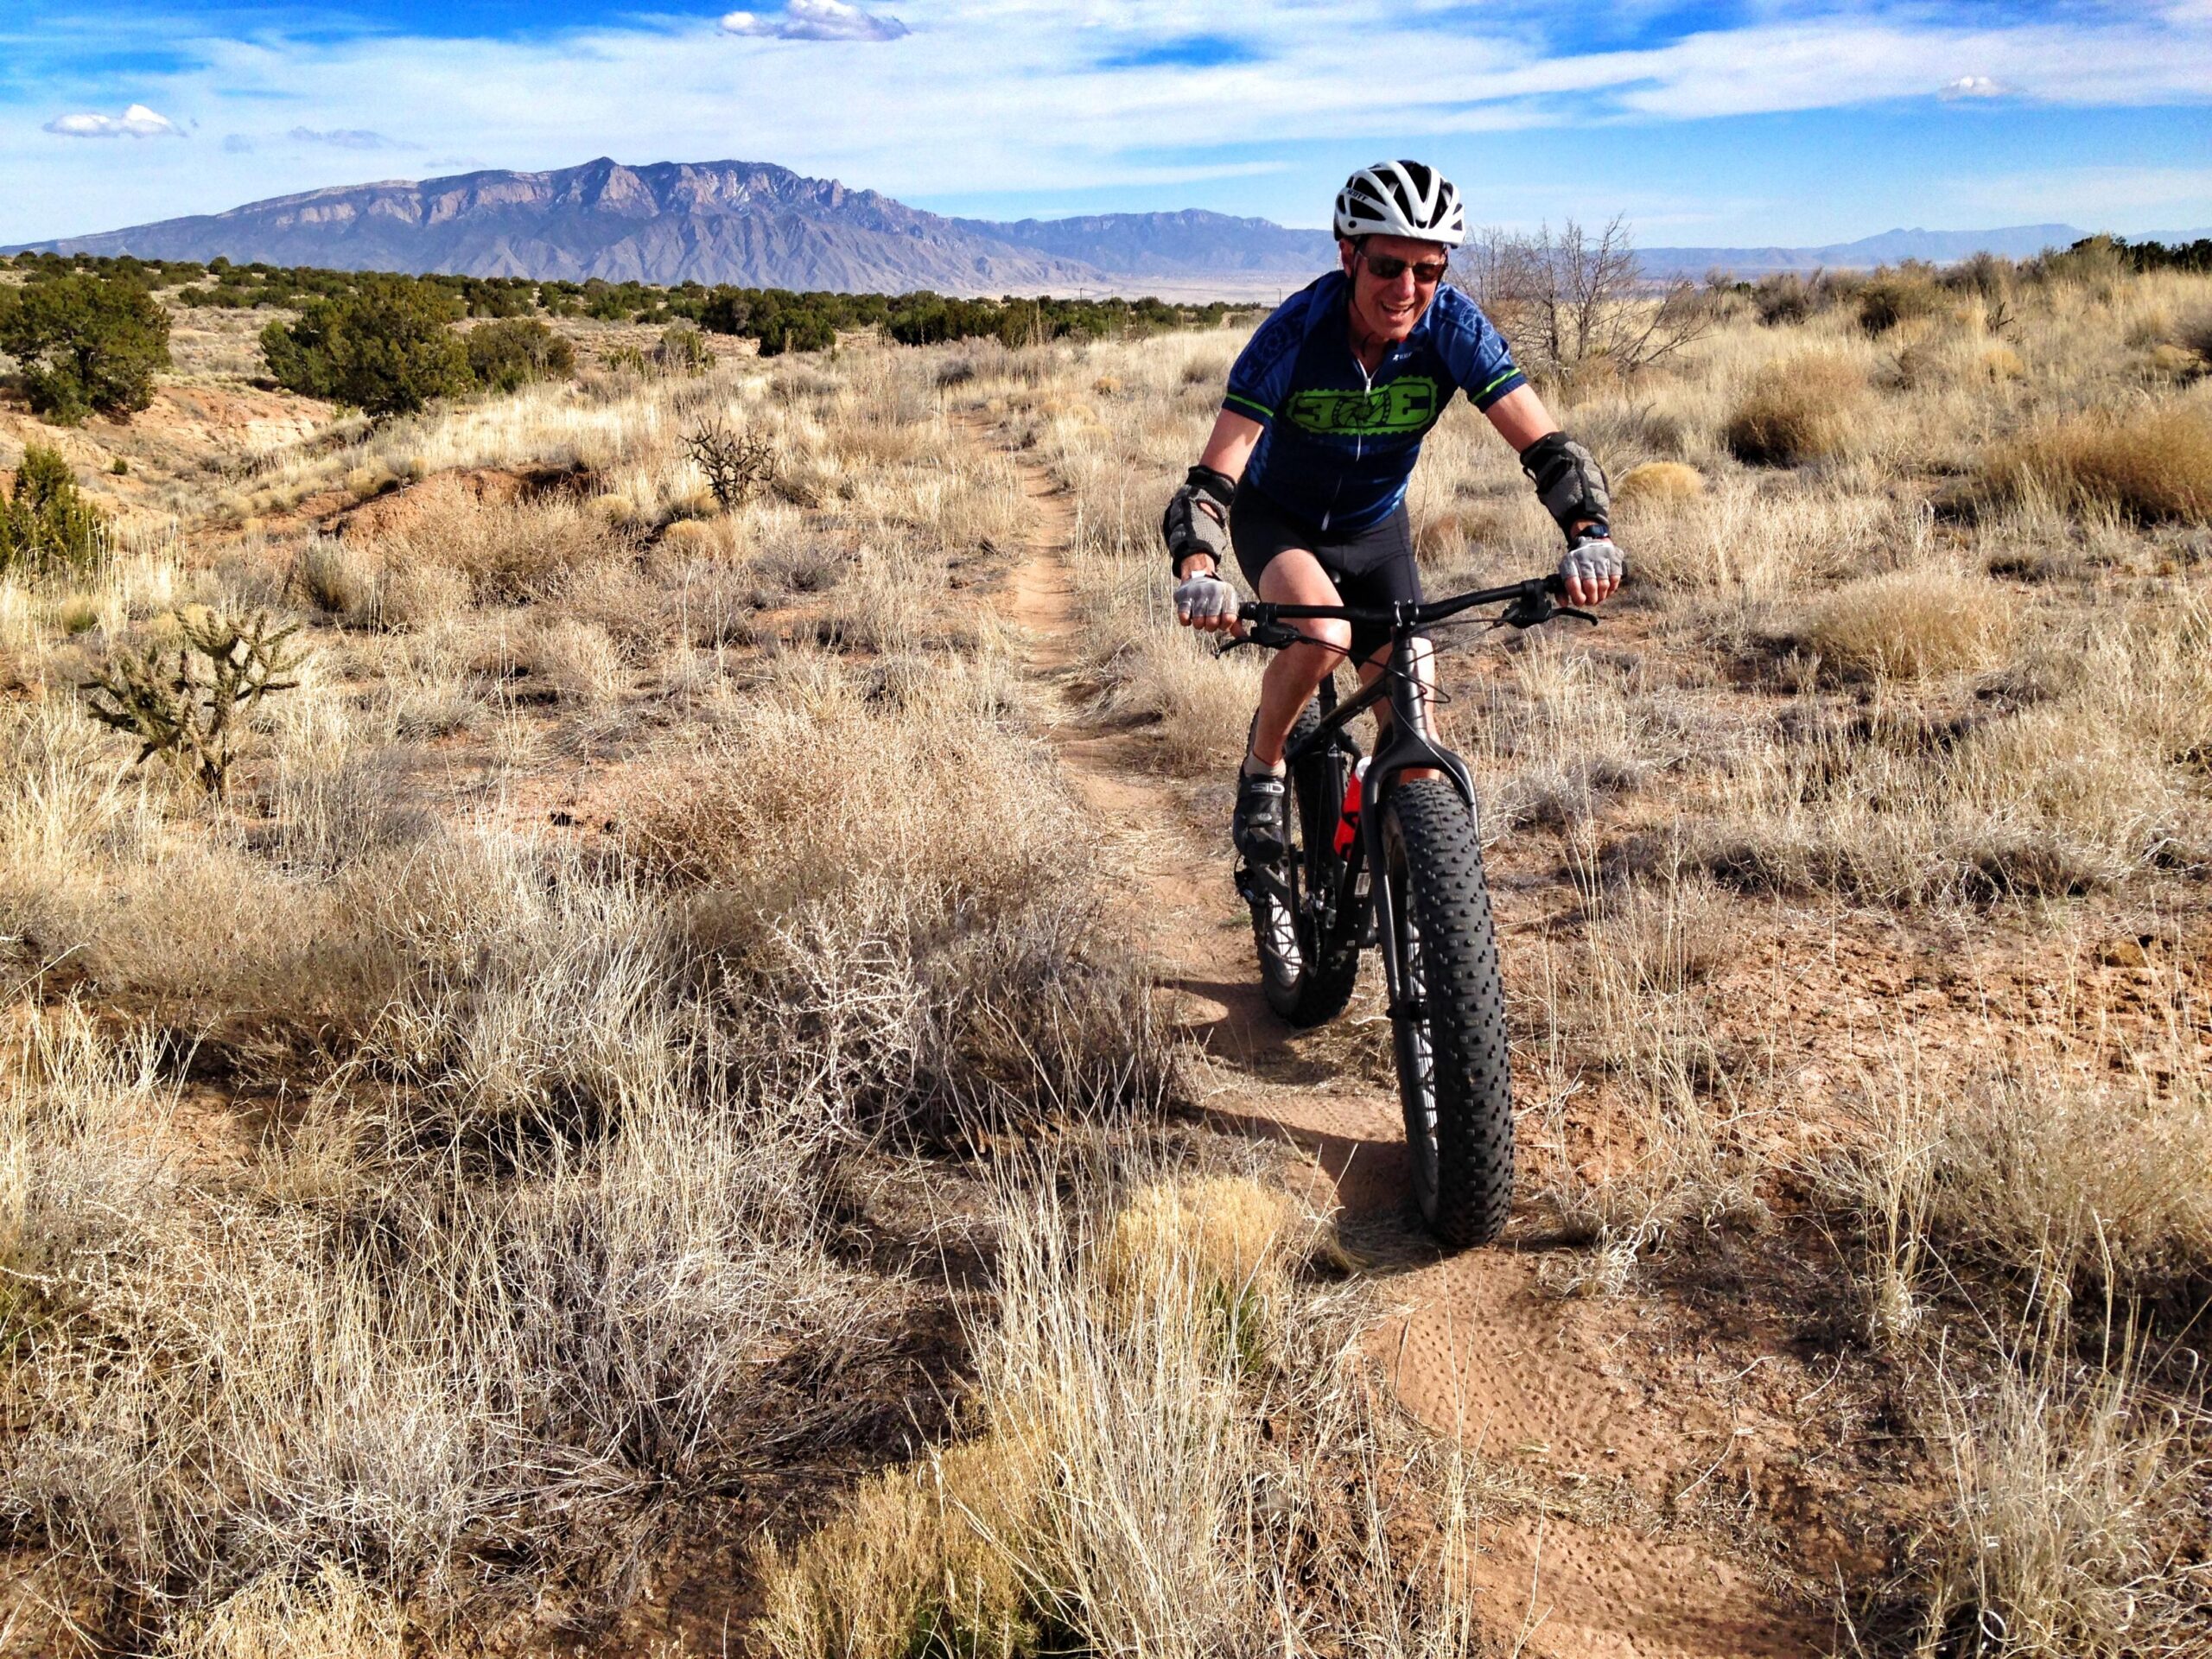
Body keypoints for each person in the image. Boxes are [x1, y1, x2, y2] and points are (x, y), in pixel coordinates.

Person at [1160, 160, 1622, 861]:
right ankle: (1263, 768)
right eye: (1386, 265)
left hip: (1376, 530)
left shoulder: (1455, 328)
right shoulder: (1291, 336)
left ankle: (1408, 879)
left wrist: (1589, 537)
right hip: (1279, 520)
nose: (1407, 290)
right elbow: (1211, 483)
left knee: (1415, 724)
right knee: (1321, 634)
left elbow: (1549, 449)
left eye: (1428, 270)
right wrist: (1201, 568)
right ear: (1348, 255)